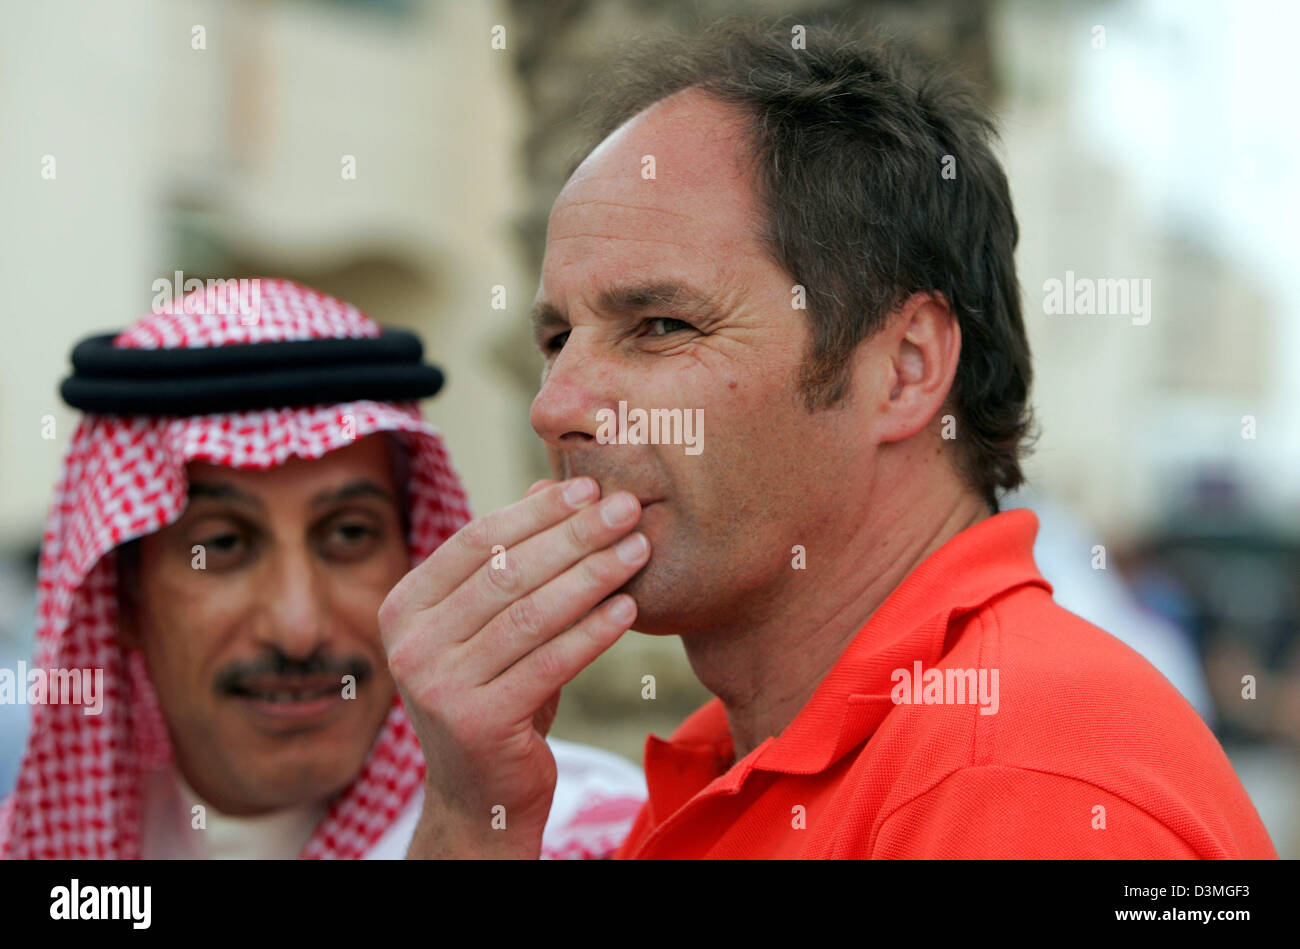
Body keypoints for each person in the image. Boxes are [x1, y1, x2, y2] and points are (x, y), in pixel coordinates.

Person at [381, 23, 1278, 858]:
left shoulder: (1020, 788)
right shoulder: (753, 748)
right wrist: (470, 819)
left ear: (905, 368)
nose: (556, 405)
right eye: (555, 340)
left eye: (659, 325)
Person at [0, 278, 645, 859]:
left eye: (348, 535)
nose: (298, 629)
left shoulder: (595, 836)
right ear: (126, 599)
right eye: (222, 545)